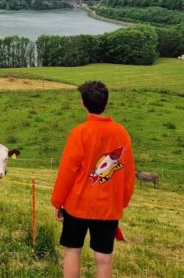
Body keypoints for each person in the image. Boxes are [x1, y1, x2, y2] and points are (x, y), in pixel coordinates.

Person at [51, 80, 135, 278]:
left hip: (78, 204)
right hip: (108, 207)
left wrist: (58, 201)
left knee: (73, 250)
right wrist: (121, 201)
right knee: (104, 257)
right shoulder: (121, 133)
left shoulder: (79, 133)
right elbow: (128, 172)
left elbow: (67, 171)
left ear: (83, 103)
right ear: (106, 103)